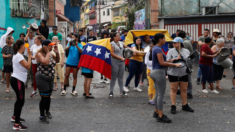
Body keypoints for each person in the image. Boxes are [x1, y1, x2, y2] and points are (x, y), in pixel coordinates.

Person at [150, 33, 181, 123]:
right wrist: (175, 65)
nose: (165, 40)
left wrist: (173, 60)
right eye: (164, 38)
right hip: (159, 72)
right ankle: (160, 115)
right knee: (160, 95)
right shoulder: (158, 49)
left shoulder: (156, 48)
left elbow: (164, 61)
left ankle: (156, 112)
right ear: (160, 39)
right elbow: (162, 63)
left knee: (158, 93)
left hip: (155, 72)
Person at [166, 37, 194, 114]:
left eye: (175, 42)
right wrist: (174, 60)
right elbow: (167, 61)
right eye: (173, 42)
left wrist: (190, 59)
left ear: (180, 43)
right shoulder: (170, 51)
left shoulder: (186, 51)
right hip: (173, 73)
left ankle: (185, 105)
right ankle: (173, 106)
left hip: (184, 72)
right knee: (173, 89)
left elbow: (190, 63)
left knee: (184, 89)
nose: (173, 44)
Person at [35, 39, 59, 124]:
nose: (52, 46)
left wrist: (57, 52)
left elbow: (58, 61)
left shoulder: (52, 53)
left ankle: (47, 111)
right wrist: (48, 53)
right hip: (42, 78)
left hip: (50, 79)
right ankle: (42, 115)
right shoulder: (39, 54)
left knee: (48, 96)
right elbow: (45, 62)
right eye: (50, 45)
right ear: (45, 46)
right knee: (44, 98)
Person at [10, 39, 32, 130]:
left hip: (17, 79)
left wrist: (30, 56)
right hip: (17, 80)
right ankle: (17, 124)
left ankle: (15, 117)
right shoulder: (19, 56)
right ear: (22, 46)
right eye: (25, 44)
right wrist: (30, 56)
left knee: (19, 100)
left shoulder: (18, 55)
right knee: (21, 101)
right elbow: (27, 66)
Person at [109, 33, 129, 97]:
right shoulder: (112, 44)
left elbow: (128, 48)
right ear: (114, 37)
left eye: (119, 35)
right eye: (117, 36)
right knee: (113, 77)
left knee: (121, 77)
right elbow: (112, 54)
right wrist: (121, 58)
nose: (119, 36)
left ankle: (122, 90)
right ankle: (111, 91)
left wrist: (135, 51)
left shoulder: (121, 43)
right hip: (115, 62)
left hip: (122, 62)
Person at [178, 31, 193, 99]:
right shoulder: (187, 41)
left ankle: (189, 92)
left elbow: (184, 53)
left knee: (187, 78)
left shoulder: (185, 42)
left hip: (186, 61)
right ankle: (182, 90)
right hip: (187, 60)